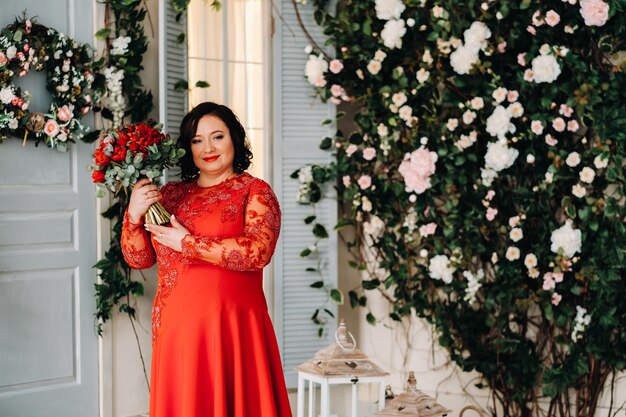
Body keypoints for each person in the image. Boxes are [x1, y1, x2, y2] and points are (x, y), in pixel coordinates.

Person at [121, 102, 293, 417]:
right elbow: (139, 258)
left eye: (218, 137)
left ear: (235, 140)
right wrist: (133, 215)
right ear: (188, 148)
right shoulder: (171, 196)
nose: (208, 148)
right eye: (197, 140)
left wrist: (187, 243)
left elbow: (257, 252)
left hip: (233, 330)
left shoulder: (254, 192)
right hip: (177, 331)